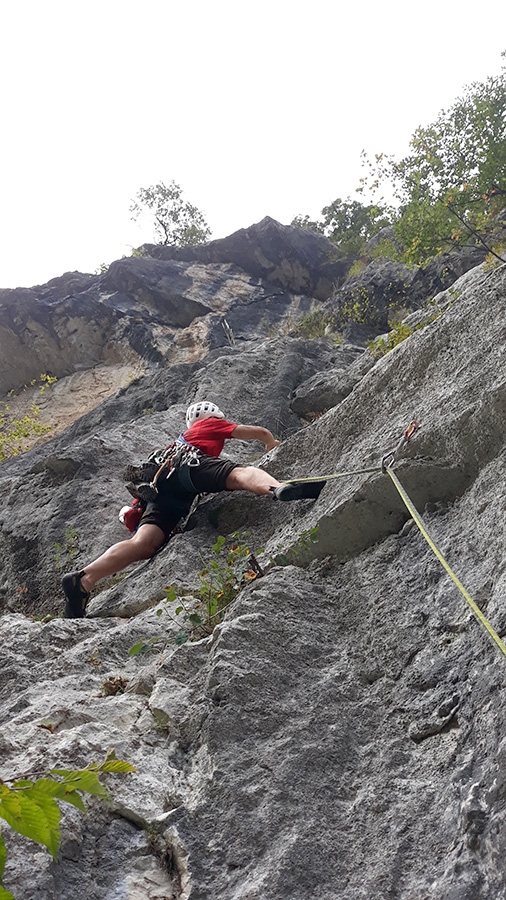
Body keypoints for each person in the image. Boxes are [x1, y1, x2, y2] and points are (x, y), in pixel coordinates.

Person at [62, 401, 325, 618]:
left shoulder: (169, 447)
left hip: (163, 486)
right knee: (239, 474)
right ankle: (277, 488)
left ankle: (84, 579)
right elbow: (255, 431)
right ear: (213, 417)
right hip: (189, 466)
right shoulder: (208, 424)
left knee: (144, 543)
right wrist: (270, 442)